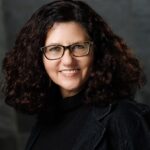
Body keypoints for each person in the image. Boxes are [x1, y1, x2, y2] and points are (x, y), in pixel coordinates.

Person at [2, 0, 150, 150]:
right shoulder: (46, 119)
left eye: (78, 47)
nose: (68, 61)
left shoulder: (123, 117)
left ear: (97, 52)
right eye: (54, 48)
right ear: (38, 57)